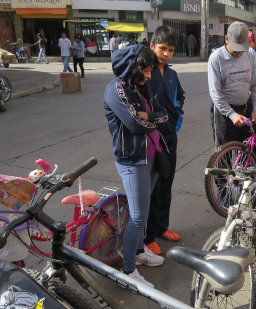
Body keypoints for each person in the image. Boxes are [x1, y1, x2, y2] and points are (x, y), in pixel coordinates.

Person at [104, 44, 168, 287]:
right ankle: (128, 272)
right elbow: (134, 124)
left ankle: (139, 252)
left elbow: (163, 115)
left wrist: (147, 116)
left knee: (142, 210)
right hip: (132, 160)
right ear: (133, 68)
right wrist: (147, 119)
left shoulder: (141, 87)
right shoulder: (116, 90)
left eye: (151, 70)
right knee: (139, 216)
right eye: (147, 70)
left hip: (151, 156)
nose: (150, 75)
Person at [144, 25, 186, 255]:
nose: (166, 54)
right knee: (152, 185)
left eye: (170, 50)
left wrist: (177, 113)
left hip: (170, 135)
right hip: (151, 137)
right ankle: (148, 236)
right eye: (162, 48)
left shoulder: (171, 74)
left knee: (166, 183)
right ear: (152, 46)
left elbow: (181, 95)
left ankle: (162, 227)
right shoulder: (144, 71)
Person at [208, 21, 256, 147]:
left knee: (248, 152)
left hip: (245, 108)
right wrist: (232, 114)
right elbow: (215, 93)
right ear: (226, 39)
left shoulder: (250, 54)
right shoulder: (216, 58)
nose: (239, 53)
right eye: (235, 49)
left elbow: (255, 84)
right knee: (223, 155)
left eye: (242, 49)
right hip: (224, 113)